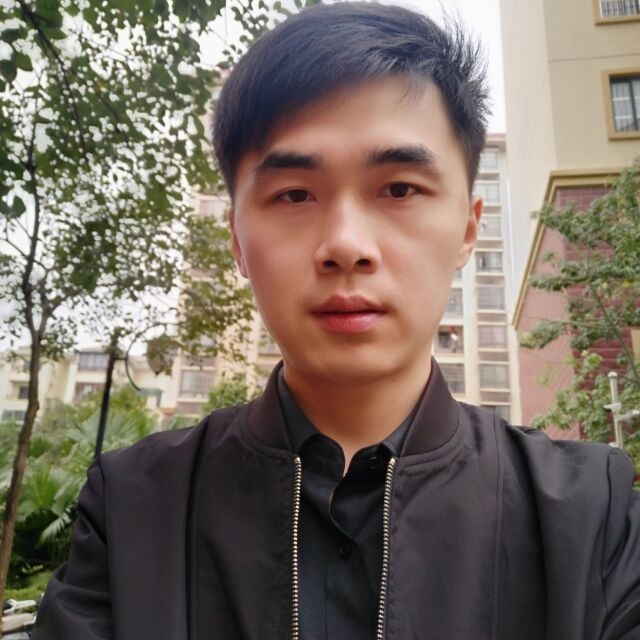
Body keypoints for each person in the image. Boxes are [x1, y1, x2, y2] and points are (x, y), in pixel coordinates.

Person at [34, 3, 640, 639]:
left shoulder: (591, 518)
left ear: (468, 228)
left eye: (399, 189)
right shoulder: (133, 507)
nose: (346, 245)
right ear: (237, 239)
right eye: (295, 194)